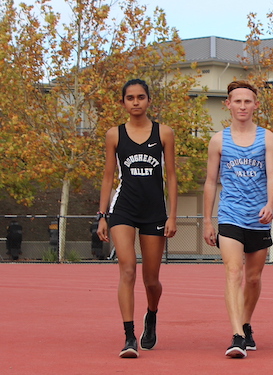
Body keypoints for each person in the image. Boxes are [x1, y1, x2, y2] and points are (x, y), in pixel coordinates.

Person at [97, 78, 178, 358]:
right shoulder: (114, 135)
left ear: (148, 100)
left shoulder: (164, 133)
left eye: (140, 97)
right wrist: (102, 215)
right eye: (130, 98)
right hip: (124, 210)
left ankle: (151, 315)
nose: (135, 102)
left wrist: (172, 216)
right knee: (127, 268)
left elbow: (172, 177)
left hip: (154, 212)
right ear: (123, 103)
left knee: (151, 280)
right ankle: (129, 336)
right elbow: (109, 176)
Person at [203, 80, 273, 359]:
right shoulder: (218, 140)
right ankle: (236, 335)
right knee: (233, 272)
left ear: (255, 105)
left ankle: (246, 323)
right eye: (237, 101)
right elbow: (211, 183)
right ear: (228, 105)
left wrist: (271, 204)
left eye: (248, 101)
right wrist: (208, 220)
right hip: (230, 216)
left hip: (259, 218)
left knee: (254, 278)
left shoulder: (267, 138)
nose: (243, 106)